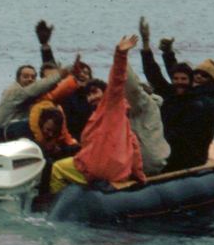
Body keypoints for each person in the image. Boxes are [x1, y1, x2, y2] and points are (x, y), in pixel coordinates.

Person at [47, 35, 146, 197]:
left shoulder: (111, 105)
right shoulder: (120, 119)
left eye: (95, 93)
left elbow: (117, 81)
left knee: (57, 169)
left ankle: (55, 204)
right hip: (117, 171)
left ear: (105, 93)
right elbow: (134, 148)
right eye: (89, 95)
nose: (91, 97)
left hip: (99, 169)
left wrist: (120, 55)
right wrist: (139, 176)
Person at [139, 19, 214, 173]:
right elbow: (157, 75)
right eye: (197, 74)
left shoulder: (203, 101)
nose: (198, 78)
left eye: (204, 76)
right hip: (167, 149)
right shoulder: (179, 93)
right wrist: (148, 45)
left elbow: (183, 134)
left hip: (187, 156)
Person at [0, 20, 67, 138]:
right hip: (3, 133)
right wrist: (63, 73)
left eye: (33, 77)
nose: (30, 79)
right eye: (25, 76)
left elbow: (49, 75)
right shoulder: (15, 91)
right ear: (17, 79)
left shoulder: (42, 89)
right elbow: (44, 82)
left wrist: (45, 46)